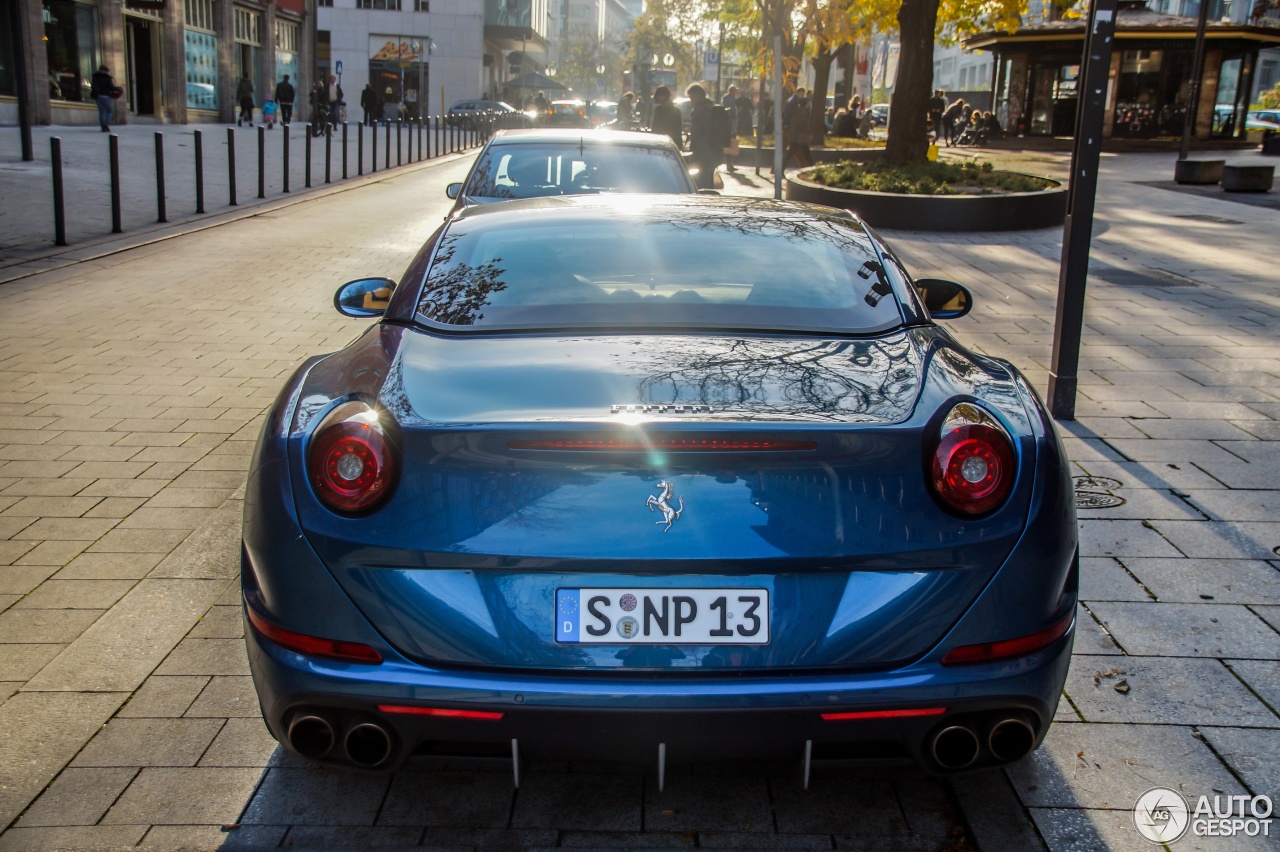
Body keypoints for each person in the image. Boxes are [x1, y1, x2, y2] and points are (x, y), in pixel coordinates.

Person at [685, 84, 720, 190]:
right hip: (712, 151)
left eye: (692, 97)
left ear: (698, 96)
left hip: (703, 153)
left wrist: (693, 152)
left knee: (702, 183)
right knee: (707, 179)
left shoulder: (700, 110)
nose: (691, 100)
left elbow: (699, 134)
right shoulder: (710, 107)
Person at [90, 65, 114, 132]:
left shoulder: (95, 76)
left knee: (101, 112)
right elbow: (111, 86)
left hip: (98, 96)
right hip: (106, 96)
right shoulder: (107, 77)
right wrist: (117, 89)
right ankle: (106, 124)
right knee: (109, 111)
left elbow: (93, 86)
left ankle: (103, 126)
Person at [721, 85, 740, 173]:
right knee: (730, 145)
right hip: (730, 125)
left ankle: (730, 164)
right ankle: (729, 164)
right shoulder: (728, 99)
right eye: (735, 91)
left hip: (731, 125)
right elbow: (730, 113)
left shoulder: (730, 99)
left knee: (731, 144)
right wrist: (732, 127)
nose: (736, 93)